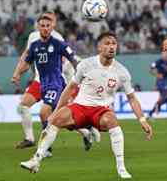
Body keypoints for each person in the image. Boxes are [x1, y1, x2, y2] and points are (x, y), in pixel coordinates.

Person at [20, 32, 153, 179]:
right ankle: (36, 160)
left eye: (114, 43)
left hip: (102, 110)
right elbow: (70, 89)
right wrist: (56, 111)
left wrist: (142, 120)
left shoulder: (122, 72)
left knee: (112, 121)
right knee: (53, 120)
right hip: (80, 107)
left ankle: (121, 168)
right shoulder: (86, 64)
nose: (111, 46)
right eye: (107, 43)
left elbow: (132, 98)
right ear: (99, 47)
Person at [12, 15, 77, 155]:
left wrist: (76, 76)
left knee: (47, 113)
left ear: (53, 25)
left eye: (48, 25)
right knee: (29, 109)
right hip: (40, 83)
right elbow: (27, 60)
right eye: (43, 25)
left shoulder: (58, 41)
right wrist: (17, 73)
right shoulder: (34, 42)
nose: (46, 28)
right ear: (38, 26)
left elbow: (70, 59)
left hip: (56, 83)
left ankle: (47, 147)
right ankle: (31, 139)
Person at [148, 41, 167, 118]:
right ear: (162, 54)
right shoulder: (158, 61)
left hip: (165, 81)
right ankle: (157, 107)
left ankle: (152, 113)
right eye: (164, 53)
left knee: (163, 98)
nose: (166, 54)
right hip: (160, 82)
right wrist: (157, 74)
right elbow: (150, 69)